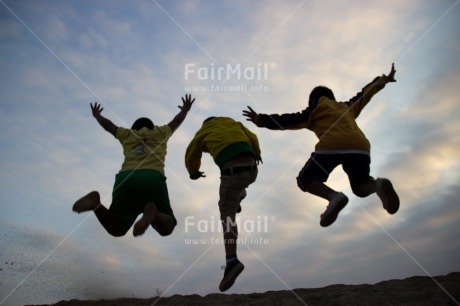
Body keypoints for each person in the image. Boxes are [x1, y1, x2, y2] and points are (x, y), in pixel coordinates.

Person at [243, 63, 399, 227]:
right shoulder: (346, 106)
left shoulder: (313, 111)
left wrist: (260, 120)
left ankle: (333, 197)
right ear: (332, 97)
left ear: (312, 101)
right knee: (361, 185)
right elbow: (365, 93)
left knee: (305, 179)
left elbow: (287, 120)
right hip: (361, 147)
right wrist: (384, 79)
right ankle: (376, 185)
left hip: (332, 146)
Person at [73, 94, 195, 237]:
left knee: (117, 228)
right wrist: (185, 109)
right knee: (167, 228)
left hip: (126, 179)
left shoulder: (127, 134)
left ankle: (95, 204)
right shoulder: (160, 132)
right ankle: (154, 214)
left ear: (134, 128)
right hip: (152, 179)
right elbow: (176, 121)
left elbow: (108, 126)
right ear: (152, 126)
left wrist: (97, 115)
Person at [185, 116, 262, 292]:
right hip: (252, 170)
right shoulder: (233, 123)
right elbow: (253, 137)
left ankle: (232, 262)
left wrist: (193, 172)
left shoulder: (203, 131)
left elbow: (191, 152)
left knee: (227, 216)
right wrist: (257, 153)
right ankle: (240, 196)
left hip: (232, 174)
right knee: (236, 190)